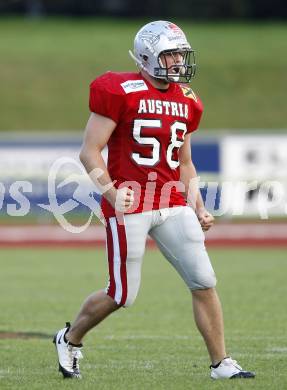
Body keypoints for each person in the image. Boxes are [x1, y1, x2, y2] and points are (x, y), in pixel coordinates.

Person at [53, 20, 255, 380]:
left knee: (203, 280)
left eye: (180, 53)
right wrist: (112, 193)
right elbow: (89, 152)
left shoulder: (187, 100)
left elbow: (185, 162)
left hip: (170, 199)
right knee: (122, 295)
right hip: (128, 200)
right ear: (147, 57)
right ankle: (69, 338)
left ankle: (221, 363)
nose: (178, 61)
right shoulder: (120, 90)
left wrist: (198, 205)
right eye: (170, 54)